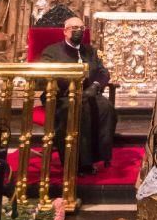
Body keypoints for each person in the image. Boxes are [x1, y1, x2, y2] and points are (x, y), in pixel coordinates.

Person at [40, 16, 116, 172]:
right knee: (76, 111)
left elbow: (103, 72)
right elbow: (46, 74)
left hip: (89, 94)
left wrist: (95, 86)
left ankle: (99, 155)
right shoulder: (51, 52)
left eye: (81, 28)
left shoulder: (90, 51)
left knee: (107, 108)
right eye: (74, 28)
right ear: (65, 31)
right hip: (62, 95)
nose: (78, 31)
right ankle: (76, 162)